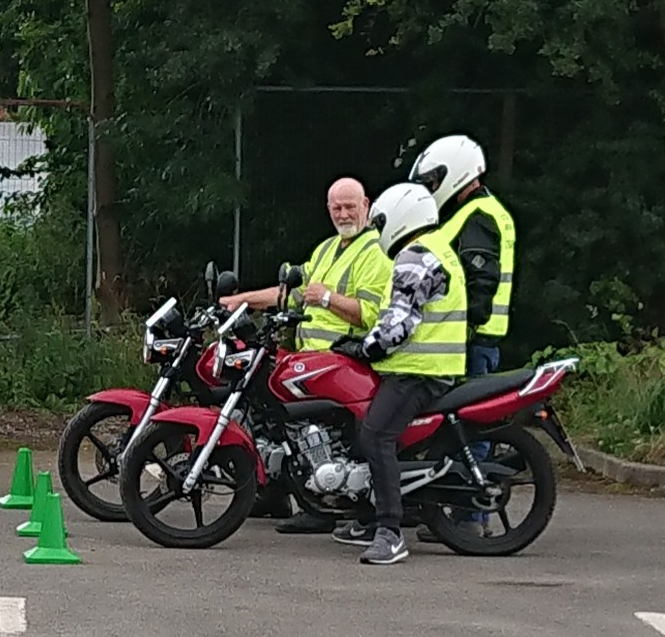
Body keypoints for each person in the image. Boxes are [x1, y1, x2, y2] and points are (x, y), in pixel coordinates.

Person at [220, 176, 392, 530]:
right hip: (314, 361)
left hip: (346, 361)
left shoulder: (375, 253)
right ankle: (287, 491)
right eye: (337, 207)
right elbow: (294, 294)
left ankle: (329, 502)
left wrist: (328, 298)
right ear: (328, 209)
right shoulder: (328, 248)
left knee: (315, 425)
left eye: (350, 206)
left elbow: (372, 314)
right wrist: (241, 301)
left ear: (366, 205)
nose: (344, 213)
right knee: (274, 409)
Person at [329, 182, 468, 565]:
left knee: (375, 436)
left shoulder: (415, 256)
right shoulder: (438, 248)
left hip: (418, 370)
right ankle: (367, 516)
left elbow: (398, 323)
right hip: (430, 367)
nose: (377, 229)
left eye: (381, 222)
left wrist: (365, 348)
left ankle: (389, 532)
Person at [407, 134, 516, 541]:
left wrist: (460, 323)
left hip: (474, 341)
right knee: (457, 426)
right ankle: (456, 511)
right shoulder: (473, 212)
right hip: (477, 339)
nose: (432, 188)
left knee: (468, 427)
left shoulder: (478, 217)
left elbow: (478, 281)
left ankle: (471, 518)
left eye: (434, 179)